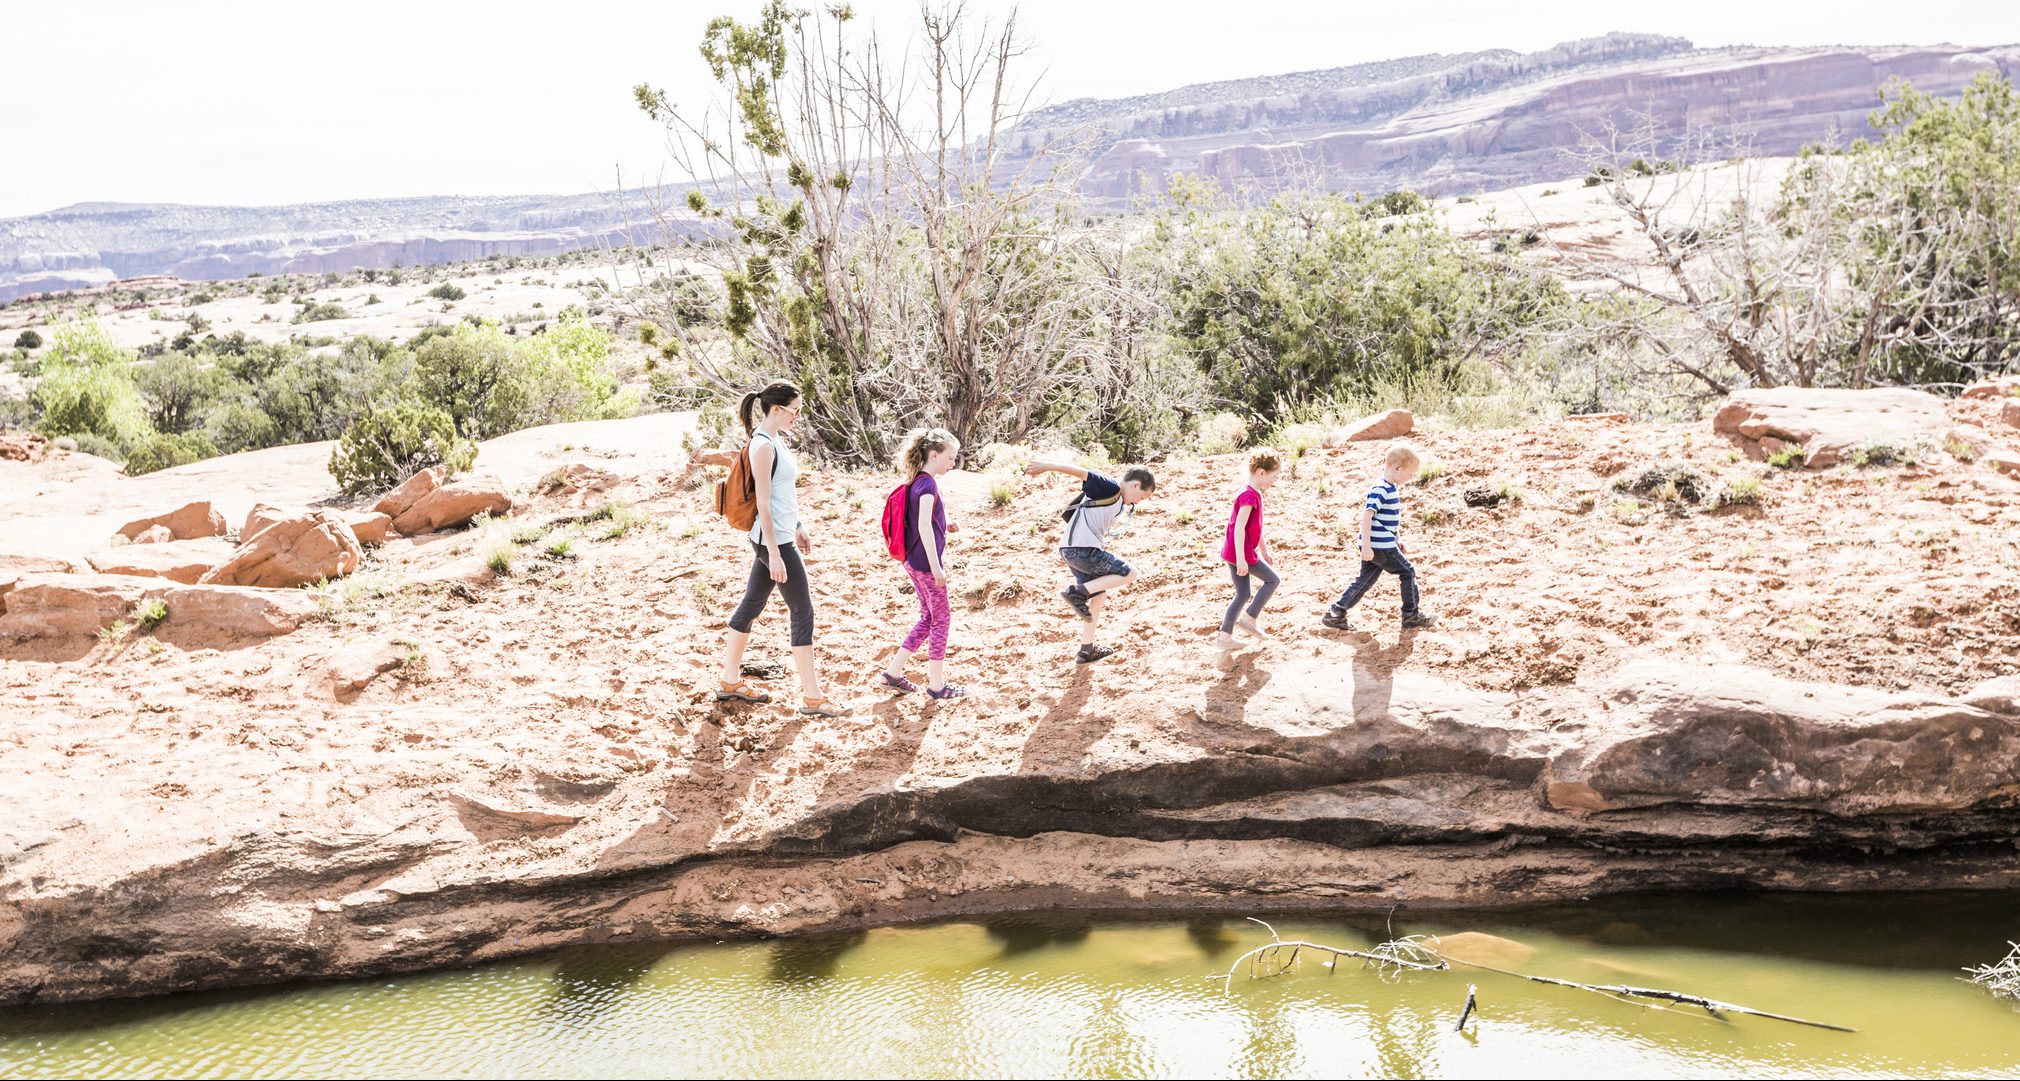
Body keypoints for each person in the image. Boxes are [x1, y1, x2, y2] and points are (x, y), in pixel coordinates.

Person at [714, 381, 850, 717]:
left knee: (752, 603)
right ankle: (812, 697)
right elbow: (763, 504)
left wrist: (799, 525)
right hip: (773, 540)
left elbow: (782, 495)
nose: (798, 416)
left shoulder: (777, 441)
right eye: (795, 411)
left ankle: (730, 680)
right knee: (803, 612)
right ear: (777, 410)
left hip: (782, 535)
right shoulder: (762, 447)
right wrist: (774, 552)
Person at [1023, 458, 1157, 664]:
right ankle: (1076, 593)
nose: (1139, 502)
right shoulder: (1110, 487)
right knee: (1130, 573)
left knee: (1099, 595)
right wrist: (1048, 466)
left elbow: (1073, 516)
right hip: (1083, 551)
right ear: (1135, 485)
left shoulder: (1116, 501)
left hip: (1074, 551)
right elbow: (1083, 472)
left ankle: (1086, 650)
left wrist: (1067, 552)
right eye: (1142, 496)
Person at [881, 428, 967, 699]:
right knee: (941, 619)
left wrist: (946, 523)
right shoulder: (928, 484)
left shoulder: (917, 480)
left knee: (928, 617)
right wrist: (936, 566)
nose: (953, 463)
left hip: (911, 560)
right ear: (934, 455)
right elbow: (923, 527)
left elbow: (926, 519)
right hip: (926, 564)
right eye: (950, 458)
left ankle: (893, 673)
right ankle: (937, 685)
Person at [1322, 444, 1437, 631]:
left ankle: (1335, 613)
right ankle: (1411, 615)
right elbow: (1367, 515)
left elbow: (1387, 520)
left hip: (1381, 543)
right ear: (1396, 468)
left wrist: (1397, 538)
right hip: (1378, 546)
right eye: (1410, 474)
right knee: (1407, 572)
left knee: (1365, 580)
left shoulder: (1391, 487)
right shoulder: (1381, 488)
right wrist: (1366, 546)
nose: (1411, 478)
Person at [1217, 450, 1282, 652]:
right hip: (1240, 552)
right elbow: (1238, 528)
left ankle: (1225, 637)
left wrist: (1264, 549)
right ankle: (1249, 617)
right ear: (1261, 472)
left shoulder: (1254, 492)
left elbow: (1255, 527)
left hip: (1237, 551)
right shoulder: (1248, 495)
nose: (1275, 480)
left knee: (1243, 593)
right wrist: (1242, 559)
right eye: (1274, 475)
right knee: (1273, 580)